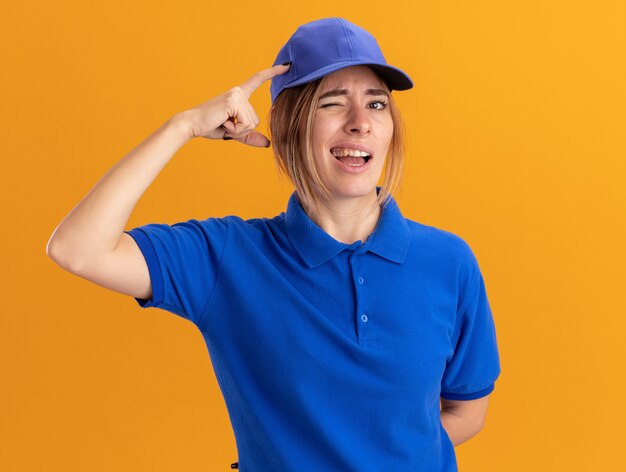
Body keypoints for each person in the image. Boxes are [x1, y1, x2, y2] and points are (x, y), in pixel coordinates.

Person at [47, 17, 501, 472]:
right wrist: (181, 127)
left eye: (377, 104)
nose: (360, 123)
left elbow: (467, 412)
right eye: (332, 103)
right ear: (288, 128)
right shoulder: (229, 257)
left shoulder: (450, 261)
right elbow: (77, 248)